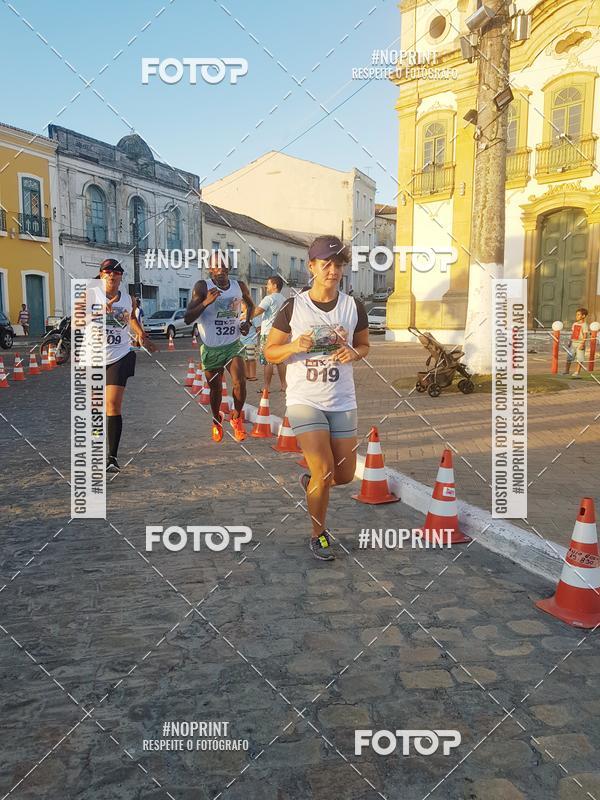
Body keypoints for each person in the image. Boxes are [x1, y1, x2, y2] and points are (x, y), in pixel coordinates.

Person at [265, 235, 370, 561]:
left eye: (338, 264)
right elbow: (269, 352)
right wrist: (294, 346)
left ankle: (313, 482)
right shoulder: (293, 307)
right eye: (326, 264)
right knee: (325, 470)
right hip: (305, 400)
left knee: (344, 475)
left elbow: (365, 346)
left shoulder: (353, 307)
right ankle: (318, 534)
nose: (333, 271)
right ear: (311, 266)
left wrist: (354, 353)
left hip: (342, 400)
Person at [93, 259, 156, 473]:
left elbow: (131, 319)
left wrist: (140, 334)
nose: (112, 274)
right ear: (101, 275)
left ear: (121, 277)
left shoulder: (129, 299)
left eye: (117, 272)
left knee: (112, 405)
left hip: (119, 355)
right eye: (108, 271)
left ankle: (112, 457)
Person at [184, 251, 254, 442]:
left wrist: (247, 322)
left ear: (229, 267)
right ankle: (216, 420)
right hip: (211, 347)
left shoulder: (239, 286)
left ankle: (236, 417)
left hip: (233, 344)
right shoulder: (202, 286)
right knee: (215, 390)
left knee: (240, 381)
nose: (220, 270)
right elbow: (188, 317)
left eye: (223, 266)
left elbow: (251, 306)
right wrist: (206, 302)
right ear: (210, 269)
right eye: (216, 266)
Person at [252, 275, 287, 393]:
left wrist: (245, 316)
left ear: (274, 285)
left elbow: (258, 310)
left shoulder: (269, 298)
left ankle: (266, 387)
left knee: (268, 361)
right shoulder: (284, 299)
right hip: (280, 333)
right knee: (280, 361)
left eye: (268, 284)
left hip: (268, 333)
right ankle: (284, 385)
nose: (267, 286)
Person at [564, 307, 589, 378]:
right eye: (576, 315)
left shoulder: (584, 325)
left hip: (580, 344)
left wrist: (583, 344)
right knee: (569, 357)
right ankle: (566, 371)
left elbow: (585, 335)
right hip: (573, 343)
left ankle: (577, 372)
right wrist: (570, 341)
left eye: (578, 315)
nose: (576, 316)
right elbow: (573, 333)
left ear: (583, 316)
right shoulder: (574, 324)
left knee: (579, 359)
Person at [240, 299, 259, 381]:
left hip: (251, 341)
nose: (240, 306)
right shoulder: (241, 315)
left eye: (241, 304)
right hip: (241, 341)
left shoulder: (253, 316)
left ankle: (253, 375)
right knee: (245, 359)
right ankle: (247, 374)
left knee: (251, 359)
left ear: (245, 305)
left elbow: (258, 328)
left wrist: (255, 337)